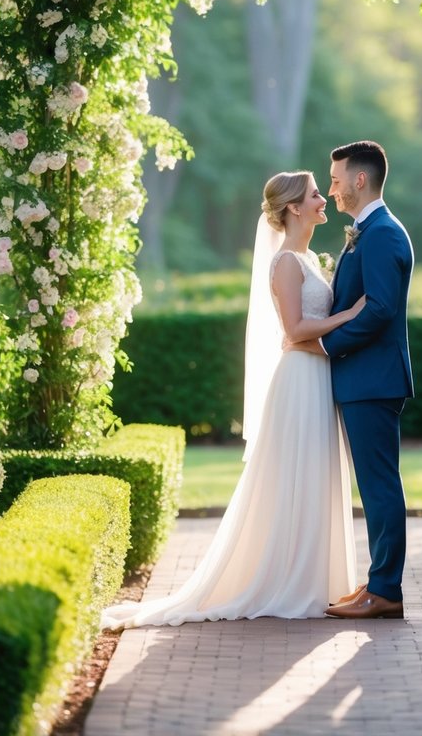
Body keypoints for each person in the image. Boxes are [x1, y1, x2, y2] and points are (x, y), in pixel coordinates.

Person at [100, 170, 363, 629]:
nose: (325, 198)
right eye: (316, 194)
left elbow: (302, 332)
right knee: (294, 478)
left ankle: (316, 579)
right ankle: (288, 581)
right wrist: (349, 314)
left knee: (315, 474)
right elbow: (295, 332)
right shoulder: (285, 263)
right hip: (299, 381)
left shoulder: (308, 261)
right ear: (294, 208)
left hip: (317, 376)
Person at [292, 140, 414, 620]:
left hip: (373, 379)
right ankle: (378, 581)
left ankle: (385, 590)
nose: (332, 188)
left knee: (380, 486)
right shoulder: (369, 230)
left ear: (360, 179)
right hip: (365, 379)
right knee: (375, 484)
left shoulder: (382, 233)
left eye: (337, 179)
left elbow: (381, 309)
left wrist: (324, 345)